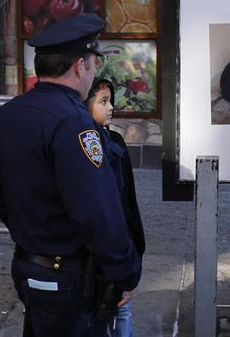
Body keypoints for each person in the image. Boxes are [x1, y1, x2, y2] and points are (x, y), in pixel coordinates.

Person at [0, 14, 141, 337]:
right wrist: (125, 271)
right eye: (92, 64)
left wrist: (34, 237)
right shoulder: (76, 123)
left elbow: (0, 192)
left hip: (30, 266)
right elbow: (98, 213)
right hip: (70, 279)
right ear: (79, 67)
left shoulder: (11, 113)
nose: (94, 72)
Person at [84, 78, 146, 337]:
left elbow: (128, 199)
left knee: (122, 310)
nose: (110, 107)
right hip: (97, 251)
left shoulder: (116, 141)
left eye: (111, 101)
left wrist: (135, 247)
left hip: (121, 237)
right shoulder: (82, 143)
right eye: (103, 101)